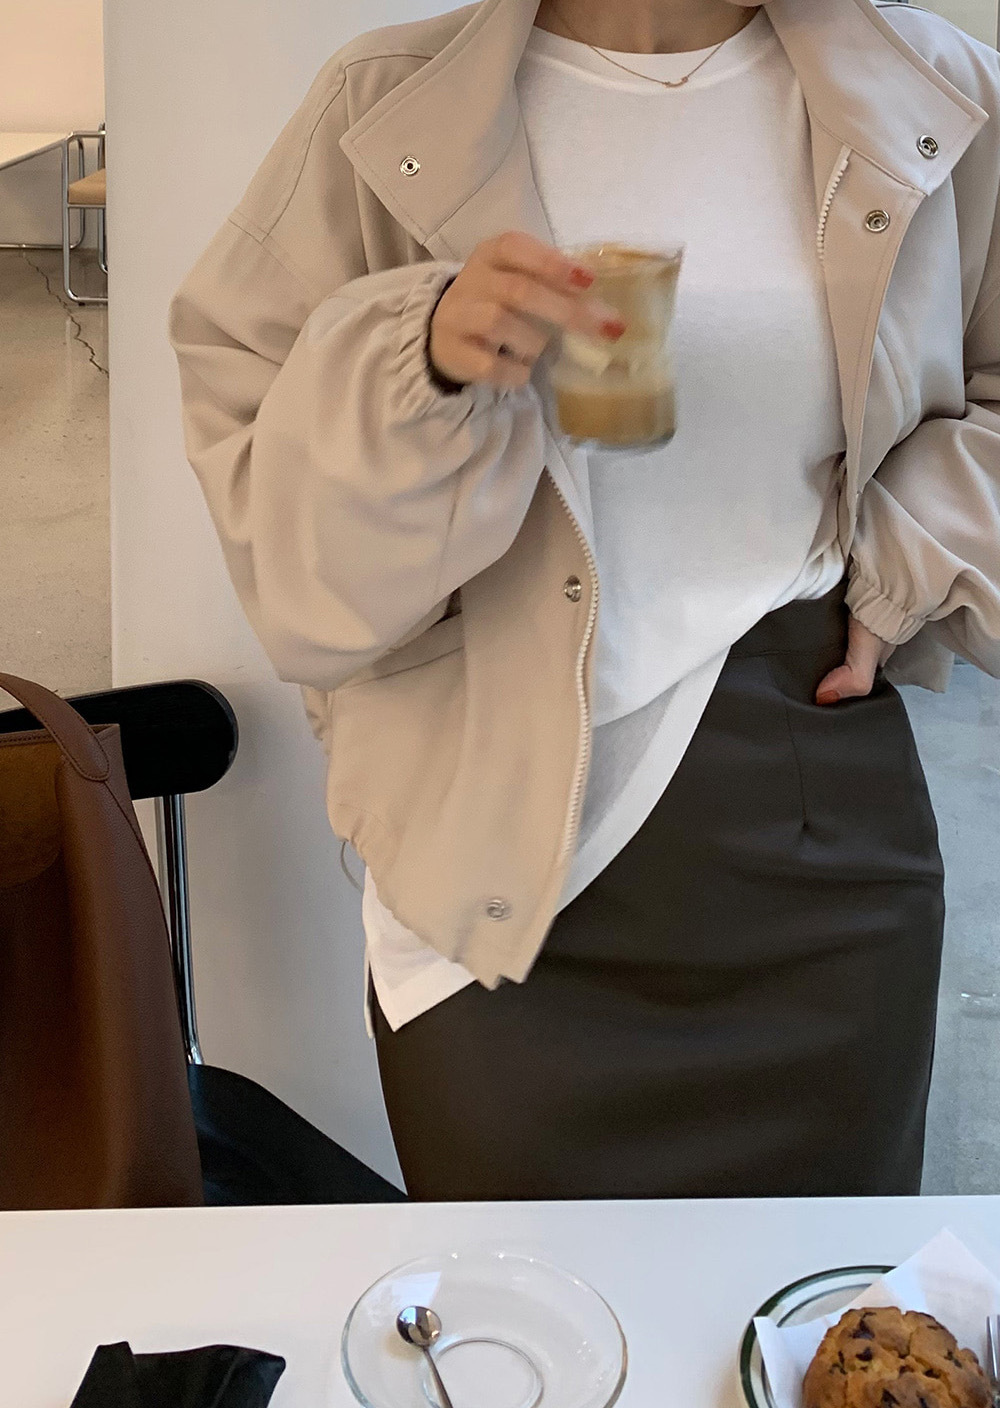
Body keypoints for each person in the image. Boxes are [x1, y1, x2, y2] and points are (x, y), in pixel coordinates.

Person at [167, 0, 1000, 1200]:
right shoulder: (384, 103)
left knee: (804, 1302)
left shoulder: (936, 92)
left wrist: (909, 555)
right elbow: (271, 503)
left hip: (817, 834)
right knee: (521, 1297)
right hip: (492, 870)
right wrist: (425, 359)